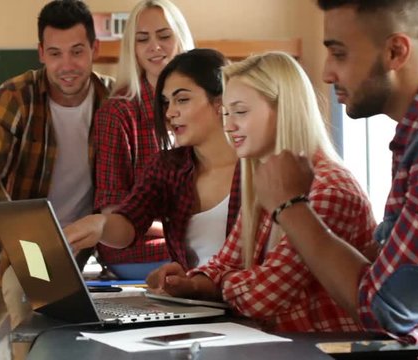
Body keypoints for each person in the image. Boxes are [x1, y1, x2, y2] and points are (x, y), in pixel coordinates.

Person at [253, 0, 418, 357]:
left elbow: (388, 309)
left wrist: (291, 206)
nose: (327, 74)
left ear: (395, 51)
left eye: (339, 55)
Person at [146, 51, 377, 332]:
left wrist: (215, 283)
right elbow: (225, 262)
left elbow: (265, 296)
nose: (228, 126)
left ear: (285, 110)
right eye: (227, 113)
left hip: (330, 351)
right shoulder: (265, 183)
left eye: (240, 112)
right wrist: (189, 283)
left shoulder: (330, 189)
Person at [0, 1, 114, 359]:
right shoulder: (16, 95)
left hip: (74, 247)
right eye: (55, 53)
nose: (66, 65)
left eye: (77, 52)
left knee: (32, 327)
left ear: (94, 49)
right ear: (41, 53)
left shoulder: (113, 101)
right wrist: (21, 233)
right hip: (5, 239)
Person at [65, 48, 241, 273]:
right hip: (194, 302)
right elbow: (129, 223)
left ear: (220, 102)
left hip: (245, 301)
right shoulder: (167, 167)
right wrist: (99, 225)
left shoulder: (255, 167)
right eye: (166, 102)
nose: (170, 113)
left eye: (182, 99)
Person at [92, 0, 194, 277]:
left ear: (180, 39)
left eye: (164, 36)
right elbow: (113, 212)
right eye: (142, 39)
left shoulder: (205, 106)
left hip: (192, 242)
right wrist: (183, 228)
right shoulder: (118, 113)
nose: (154, 47)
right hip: (139, 248)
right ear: (132, 48)